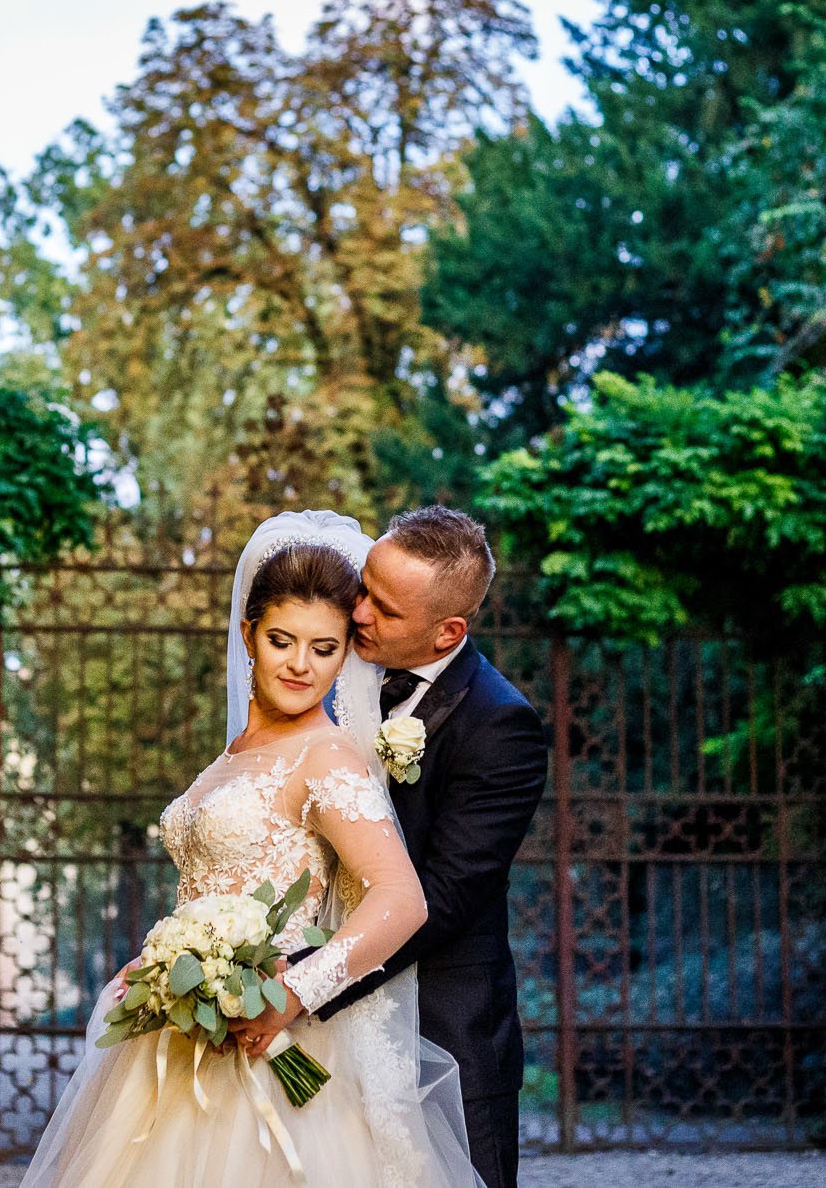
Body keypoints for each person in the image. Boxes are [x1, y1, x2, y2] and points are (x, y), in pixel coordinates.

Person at [20, 511, 482, 1188]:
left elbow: (404, 899)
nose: (300, 663)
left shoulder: (327, 758)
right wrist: (164, 963)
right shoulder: (232, 755)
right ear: (248, 636)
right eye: (281, 639)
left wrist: (291, 991)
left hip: (274, 1042)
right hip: (181, 1038)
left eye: (324, 648)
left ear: (343, 655)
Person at [229, 505, 548, 1188]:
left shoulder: (501, 725)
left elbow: (443, 899)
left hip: (441, 1027)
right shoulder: (331, 672)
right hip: (313, 1016)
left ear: (447, 632)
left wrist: (302, 986)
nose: (359, 610)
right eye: (364, 585)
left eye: (384, 606)